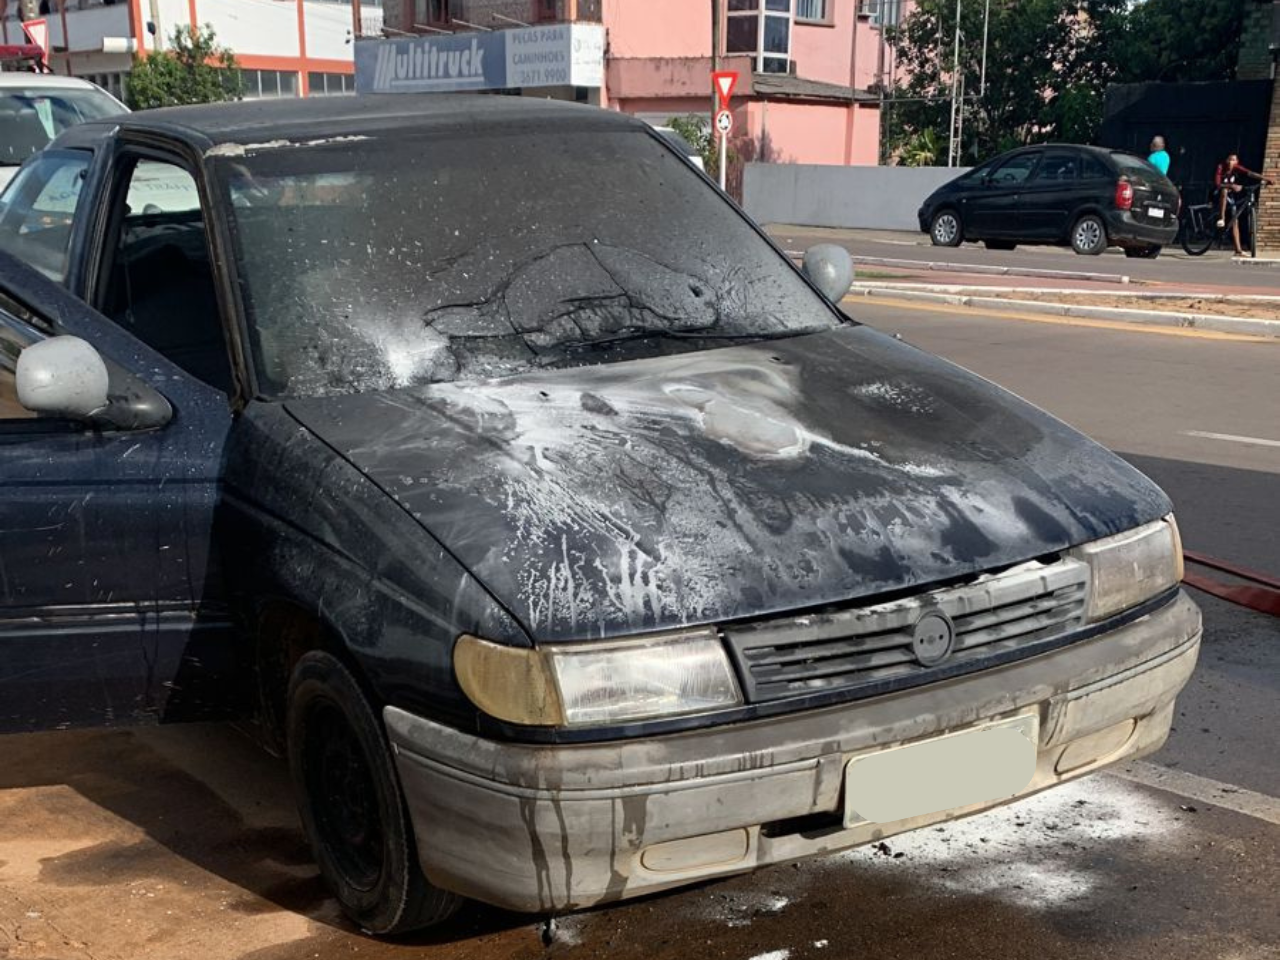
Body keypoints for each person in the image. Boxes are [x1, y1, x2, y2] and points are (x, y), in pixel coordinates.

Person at [1215, 153, 1274, 257]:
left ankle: (1238, 250)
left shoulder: (1236, 168)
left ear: (1236, 162)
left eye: (1233, 160)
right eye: (1229, 160)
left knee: (1235, 220)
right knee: (1224, 190)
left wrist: (1265, 178)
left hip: (1230, 196)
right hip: (1217, 194)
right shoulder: (1221, 167)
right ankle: (1221, 218)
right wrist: (1232, 186)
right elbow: (1218, 184)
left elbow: (1250, 173)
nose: (1230, 162)